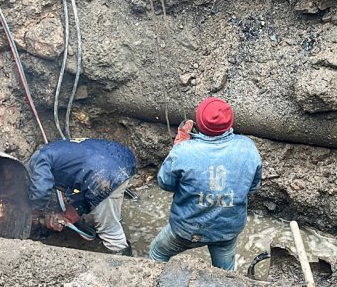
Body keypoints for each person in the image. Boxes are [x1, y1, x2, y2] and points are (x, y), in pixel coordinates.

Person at [149, 97, 263, 270]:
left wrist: (178, 148)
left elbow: (165, 183)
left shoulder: (183, 151)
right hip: (227, 229)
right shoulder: (248, 147)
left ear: (200, 124)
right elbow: (253, 187)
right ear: (230, 122)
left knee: (157, 253)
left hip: (187, 229)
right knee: (225, 273)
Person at [28, 138, 136, 255]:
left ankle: (123, 259)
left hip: (104, 175)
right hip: (123, 159)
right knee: (110, 197)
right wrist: (67, 216)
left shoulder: (37, 161)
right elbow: (85, 189)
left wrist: (35, 212)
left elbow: (40, 191)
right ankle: (114, 218)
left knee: (108, 228)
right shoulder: (52, 150)